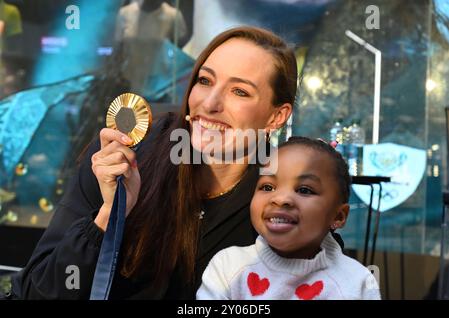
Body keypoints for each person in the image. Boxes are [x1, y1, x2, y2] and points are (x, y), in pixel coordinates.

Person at [9, 26, 298, 299]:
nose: (209, 103)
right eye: (205, 80)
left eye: (239, 91)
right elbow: (35, 292)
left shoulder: (290, 200)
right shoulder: (121, 159)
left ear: (277, 116)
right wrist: (110, 215)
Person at [196, 137, 381, 300]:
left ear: (338, 216)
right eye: (268, 187)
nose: (280, 199)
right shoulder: (228, 266)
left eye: (304, 190)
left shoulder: (357, 282)